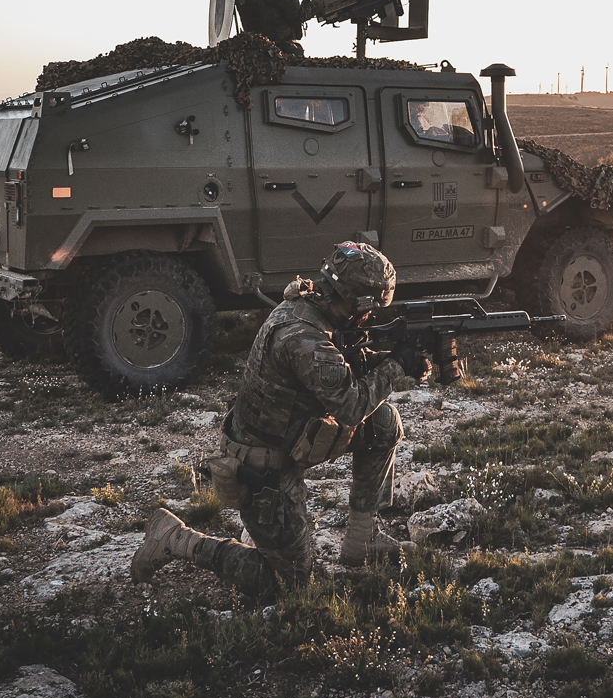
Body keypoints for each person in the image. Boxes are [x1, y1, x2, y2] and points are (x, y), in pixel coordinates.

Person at [130, 242, 431, 600]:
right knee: (287, 584)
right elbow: (351, 406)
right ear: (355, 301)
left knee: (382, 422)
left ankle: (362, 540)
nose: (370, 317)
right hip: (263, 469)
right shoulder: (302, 336)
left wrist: (392, 359)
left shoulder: (312, 308)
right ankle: (176, 539)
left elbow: (339, 367)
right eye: (369, 308)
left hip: (294, 438)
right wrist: (397, 364)